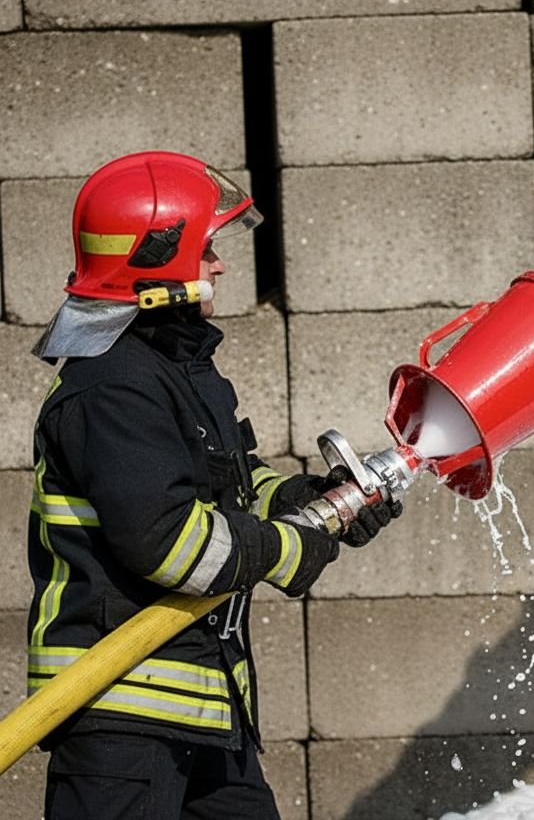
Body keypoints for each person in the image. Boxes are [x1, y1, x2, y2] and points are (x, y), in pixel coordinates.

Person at [27, 151, 401, 819]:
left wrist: (307, 501)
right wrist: (291, 548)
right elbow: (169, 544)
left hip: (200, 707)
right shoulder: (112, 386)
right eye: (206, 250)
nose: (220, 265)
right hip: (121, 716)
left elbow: (227, 484)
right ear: (158, 259)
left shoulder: (173, 368)